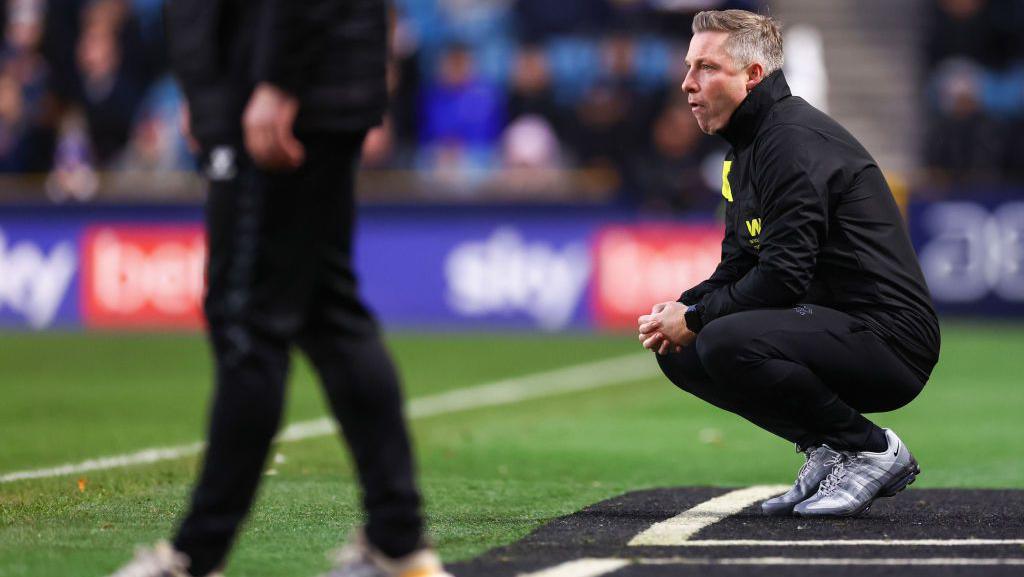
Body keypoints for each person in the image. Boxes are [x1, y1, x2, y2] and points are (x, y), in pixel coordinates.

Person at [107, 1, 452, 576]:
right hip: (292, 83)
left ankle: (195, 557)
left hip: (281, 89)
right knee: (326, 311)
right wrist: (207, 87)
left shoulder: (278, 80)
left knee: (250, 323)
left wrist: (275, 80)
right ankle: (398, 543)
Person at [637, 10, 940, 517]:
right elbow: (737, 266)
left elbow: (782, 278)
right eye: (690, 67)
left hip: (890, 340)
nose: (688, 84)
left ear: (753, 75)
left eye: (706, 68)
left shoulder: (792, 142)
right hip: (832, 325)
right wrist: (684, 307)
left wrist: (695, 319)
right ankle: (829, 447)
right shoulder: (745, 150)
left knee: (721, 338)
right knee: (680, 350)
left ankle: (871, 450)